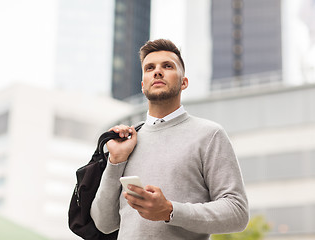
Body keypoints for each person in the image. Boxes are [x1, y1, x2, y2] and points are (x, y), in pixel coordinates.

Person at [90, 39, 249, 240]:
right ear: (142, 85)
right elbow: (104, 224)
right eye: (149, 68)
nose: (157, 71)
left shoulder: (209, 135)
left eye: (167, 66)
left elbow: (237, 212)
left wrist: (170, 210)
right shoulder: (127, 142)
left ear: (184, 82)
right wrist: (116, 161)